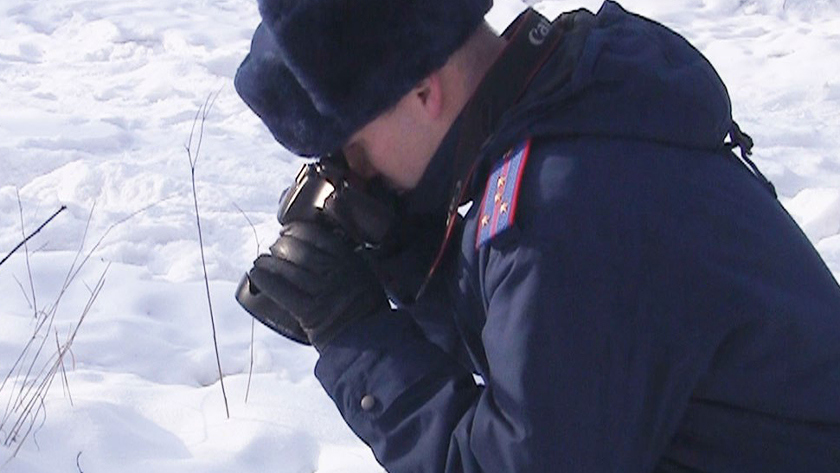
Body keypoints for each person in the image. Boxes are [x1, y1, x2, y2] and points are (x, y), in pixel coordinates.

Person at [234, 0, 840, 471]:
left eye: (353, 153)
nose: (355, 178)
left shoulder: (565, 213)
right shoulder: (570, 102)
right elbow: (548, 362)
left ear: (422, 91)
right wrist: (409, 254)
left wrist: (355, 337)